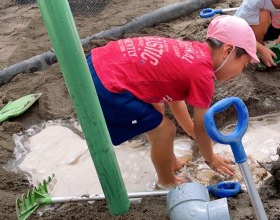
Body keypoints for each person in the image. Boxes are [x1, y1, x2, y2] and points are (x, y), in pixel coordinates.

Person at [86, 15, 260, 188]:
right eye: (243, 66)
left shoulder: (191, 51)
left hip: (97, 62)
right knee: (165, 130)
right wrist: (211, 157)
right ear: (227, 51)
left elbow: (175, 101)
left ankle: (171, 163)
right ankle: (166, 181)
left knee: (157, 111)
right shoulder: (203, 75)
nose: (239, 72)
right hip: (107, 84)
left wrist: (192, 131)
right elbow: (203, 128)